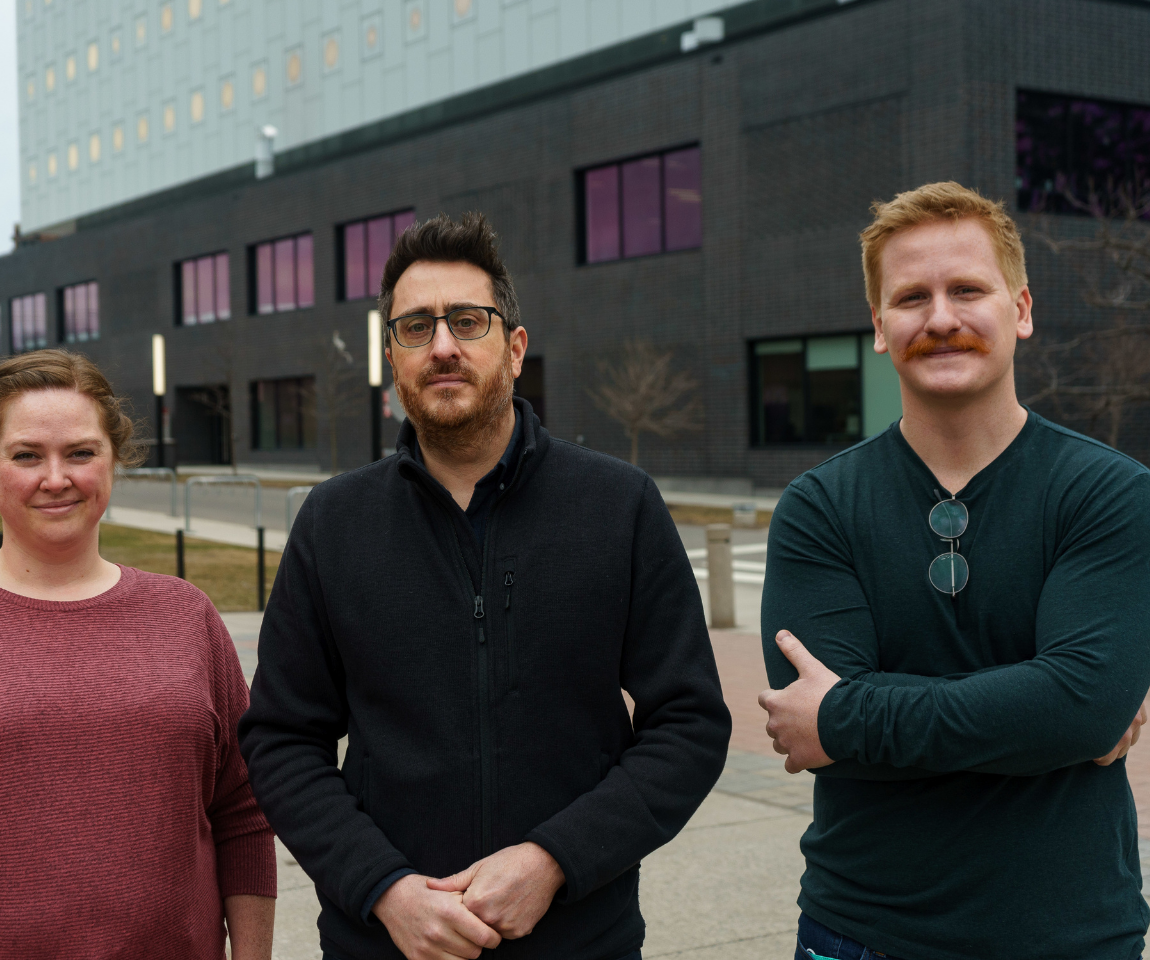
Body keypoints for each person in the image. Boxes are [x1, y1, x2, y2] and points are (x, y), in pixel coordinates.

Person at [240, 212, 731, 960]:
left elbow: (690, 724)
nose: (442, 346)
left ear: (515, 346)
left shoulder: (618, 506)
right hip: (382, 944)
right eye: (415, 327)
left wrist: (555, 860)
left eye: (467, 321)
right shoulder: (333, 523)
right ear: (393, 357)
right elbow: (281, 740)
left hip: (579, 941)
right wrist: (385, 889)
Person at [758, 181, 1150, 960]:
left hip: (1071, 934)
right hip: (863, 932)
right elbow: (1067, 710)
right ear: (878, 326)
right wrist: (1041, 710)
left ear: (1022, 310)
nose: (940, 319)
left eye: (967, 289)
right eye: (911, 298)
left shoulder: (1111, 492)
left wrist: (847, 718)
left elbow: (1079, 709)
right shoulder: (818, 508)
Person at [0, 350, 277, 959]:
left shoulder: (186, 617)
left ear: (116, 461)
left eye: (81, 453)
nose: (55, 478)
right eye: (26, 455)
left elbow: (243, 816)